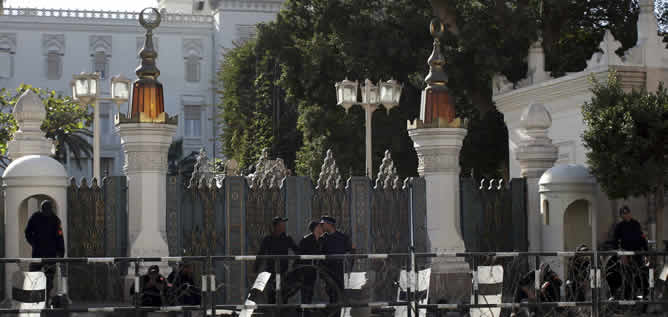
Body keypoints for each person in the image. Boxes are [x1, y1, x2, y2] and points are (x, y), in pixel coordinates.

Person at [24, 200, 65, 305]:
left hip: (48, 254)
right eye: (46, 210)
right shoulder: (36, 217)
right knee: (34, 277)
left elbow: (59, 236)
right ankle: (37, 301)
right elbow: (27, 232)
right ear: (42, 209)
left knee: (49, 280)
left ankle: (45, 301)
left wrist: (60, 252)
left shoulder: (55, 220)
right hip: (40, 253)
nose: (47, 212)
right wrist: (34, 242)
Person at [255, 216, 299, 304]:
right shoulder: (268, 239)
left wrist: (296, 266)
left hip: (283, 272)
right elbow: (261, 254)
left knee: (283, 296)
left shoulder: (287, 238)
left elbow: (297, 251)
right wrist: (255, 269)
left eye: (283, 224)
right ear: (276, 226)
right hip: (271, 273)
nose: (283, 226)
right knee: (271, 296)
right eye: (281, 224)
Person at [613, 205, 649, 300]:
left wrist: (646, 252)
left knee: (641, 273)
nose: (626, 215)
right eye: (624, 213)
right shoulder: (620, 226)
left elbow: (642, 238)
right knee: (627, 275)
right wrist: (619, 251)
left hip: (637, 252)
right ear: (621, 215)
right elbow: (615, 240)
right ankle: (628, 295)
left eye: (627, 212)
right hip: (626, 253)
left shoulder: (636, 224)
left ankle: (644, 293)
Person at [319, 215, 352, 304]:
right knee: (330, 294)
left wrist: (349, 269)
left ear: (330, 224)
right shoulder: (322, 239)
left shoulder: (342, 237)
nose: (321, 226)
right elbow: (320, 256)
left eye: (323, 224)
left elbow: (350, 252)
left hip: (340, 270)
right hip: (328, 271)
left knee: (339, 295)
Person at [296, 221, 324, 304]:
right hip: (305, 270)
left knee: (310, 291)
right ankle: (305, 311)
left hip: (313, 269)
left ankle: (308, 308)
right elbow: (299, 255)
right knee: (305, 291)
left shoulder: (321, 240)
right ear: (315, 228)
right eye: (319, 227)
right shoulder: (306, 240)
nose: (321, 228)